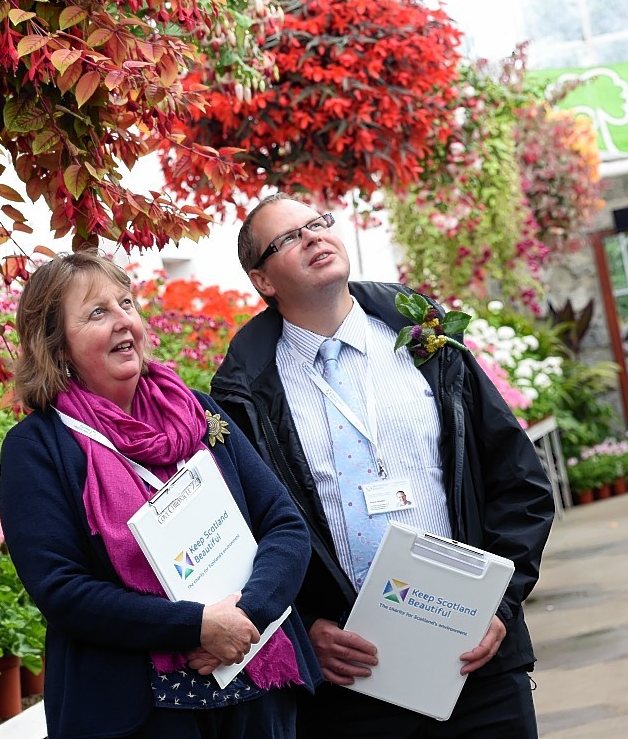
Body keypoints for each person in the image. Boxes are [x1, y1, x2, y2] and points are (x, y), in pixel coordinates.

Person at [212, 194, 555, 738]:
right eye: (289, 238)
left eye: (318, 223)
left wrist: (501, 605)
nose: (314, 237)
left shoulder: (428, 344)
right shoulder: (243, 395)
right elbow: (240, 539)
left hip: (476, 657)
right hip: (351, 680)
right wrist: (298, 630)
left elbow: (519, 483)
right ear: (263, 281)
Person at [0, 251, 322, 739]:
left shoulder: (198, 413)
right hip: (137, 712)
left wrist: (244, 616)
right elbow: (62, 591)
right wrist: (196, 626)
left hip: (255, 692)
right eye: (96, 312)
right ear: (57, 347)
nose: (122, 320)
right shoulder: (37, 447)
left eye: (125, 303)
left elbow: (284, 525)